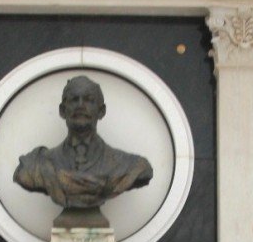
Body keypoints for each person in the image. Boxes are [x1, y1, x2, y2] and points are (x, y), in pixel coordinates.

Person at [13, 75, 152, 217]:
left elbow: (143, 172)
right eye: (74, 99)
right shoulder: (36, 165)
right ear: (62, 110)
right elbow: (24, 176)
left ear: (101, 111)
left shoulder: (130, 166)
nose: (80, 105)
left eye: (89, 100)